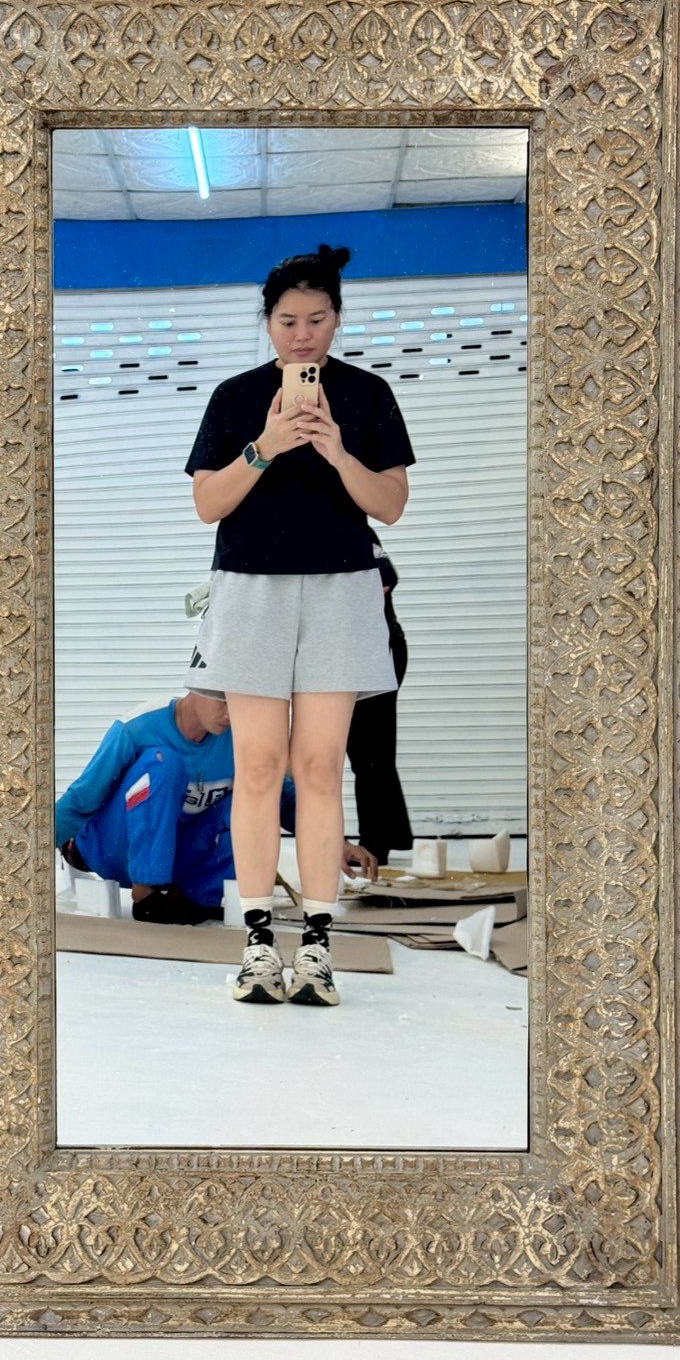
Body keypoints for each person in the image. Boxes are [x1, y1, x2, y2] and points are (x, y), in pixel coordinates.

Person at [184, 242, 416, 1006]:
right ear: (268, 324)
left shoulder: (368, 394)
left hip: (341, 590)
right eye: (287, 321)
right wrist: (265, 446)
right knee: (257, 765)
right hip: (250, 589)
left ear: (336, 319)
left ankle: (316, 949)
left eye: (317, 319)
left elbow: (389, 504)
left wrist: (336, 451)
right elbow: (208, 503)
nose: (303, 334)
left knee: (318, 767)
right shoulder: (234, 397)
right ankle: (257, 946)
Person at [55, 691, 377, 925]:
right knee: (165, 764)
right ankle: (148, 892)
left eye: (238, 703)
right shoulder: (138, 726)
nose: (230, 714)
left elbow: (284, 801)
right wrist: (32, 848)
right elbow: (83, 798)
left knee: (253, 798)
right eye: (223, 701)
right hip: (108, 849)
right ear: (197, 687)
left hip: (174, 856)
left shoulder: (240, 739)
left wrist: (333, 843)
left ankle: (198, 896)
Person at [345, 538, 413, 865]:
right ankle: (391, 835)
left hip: (377, 651)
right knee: (369, 753)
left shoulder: (356, 532)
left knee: (370, 752)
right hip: (353, 653)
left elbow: (387, 577)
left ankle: (375, 844)